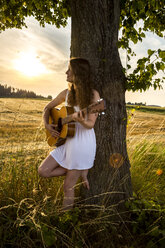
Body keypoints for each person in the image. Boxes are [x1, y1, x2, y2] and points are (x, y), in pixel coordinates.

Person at [38, 57, 100, 210]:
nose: (66, 72)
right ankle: (77, 170)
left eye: (69, 70)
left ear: (78, 73)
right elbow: (47, 108)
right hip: (68, 141)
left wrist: (78, 119)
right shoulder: (66, 93)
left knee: (68, 187)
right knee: (43, 171)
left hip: (82, 144)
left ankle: (65, 221)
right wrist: (47, 124)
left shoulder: (94, 95)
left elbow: (91, 124)